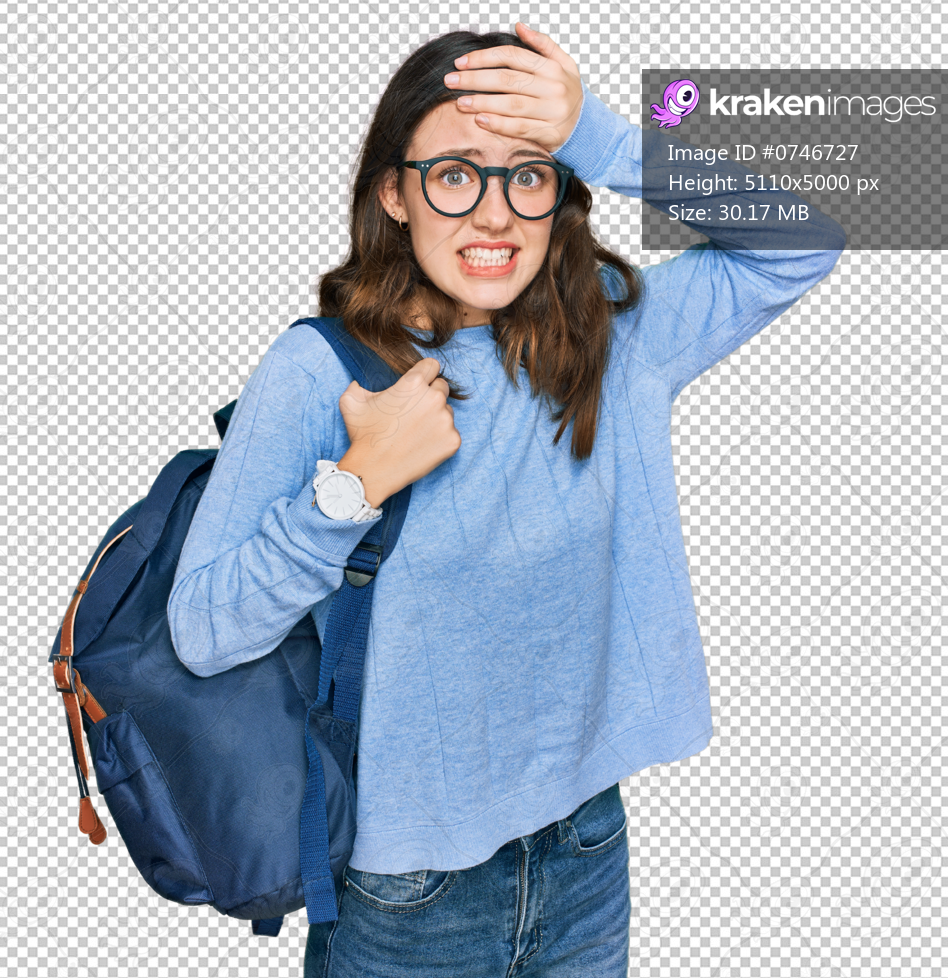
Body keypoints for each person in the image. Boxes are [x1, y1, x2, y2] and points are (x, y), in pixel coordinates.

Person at [167, 23, 845, 978]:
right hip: (408, 894)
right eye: (453, 175)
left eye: (527, 175)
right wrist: (354, 485)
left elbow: (804, 241)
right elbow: (202, 630)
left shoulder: (612, 334)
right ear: (395, 194)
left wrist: (600, 135)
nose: (494, 217)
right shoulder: (319, 372)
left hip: (585, 848)